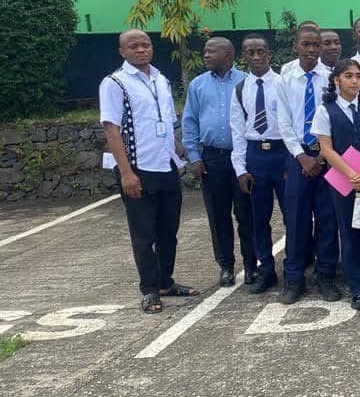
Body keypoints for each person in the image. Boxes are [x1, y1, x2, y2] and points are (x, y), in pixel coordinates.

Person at [102, 29, 198, 313]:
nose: (141, 50)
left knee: (169, 231)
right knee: (144, 235)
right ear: (122, 51)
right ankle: (149, 289)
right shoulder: (115, 83)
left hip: (165, 166)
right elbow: (111, 128)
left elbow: (167, 122)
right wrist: (126, 172)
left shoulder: (161, 79)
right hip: (138, 168)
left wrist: (180, 153)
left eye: (145, 45)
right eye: (133, 46)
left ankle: (166, 281)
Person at [313, 58, 360, 310]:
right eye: (348, 76)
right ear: (337, 80)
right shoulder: (326, 110)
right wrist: (351, 174)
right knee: (349, 232)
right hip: (343, 180)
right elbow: (326, 148)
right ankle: (358, 289)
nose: (354, 81)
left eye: (357, 76)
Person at [181, 37, 254, 287]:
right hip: (212, 158)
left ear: (229, 54)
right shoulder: (197, 85)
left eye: (212, 51)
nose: (206, 55)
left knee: (247, 214)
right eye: (205, 51)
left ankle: (251, 265)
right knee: (218, 215)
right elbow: (190, 122)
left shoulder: (246, 81)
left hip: (242, 157)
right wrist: (194, 157)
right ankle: (225, 266)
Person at [275, 25, 340, 304]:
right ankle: (294, 279)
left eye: (317, 45)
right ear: (296, 47)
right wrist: (302, 157)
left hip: (326, 157)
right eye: (307, 45)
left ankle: (325, 275)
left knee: (328, 219)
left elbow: (334, 120)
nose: (312, 50)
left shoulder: (331, 79)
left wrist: (322, 157)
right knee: (297, 219)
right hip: (298, 156)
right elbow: (284, 122)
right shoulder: (285, 81)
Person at [230, 33, 286, 295]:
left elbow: (292, 123)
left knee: (292, 215)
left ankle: (294, 267)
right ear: (244, 56)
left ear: (269, 54)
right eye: (250, 52)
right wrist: (241, 169)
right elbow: (237, 131)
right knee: (259, 218)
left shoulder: (283, 83)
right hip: (256, 156)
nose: (256, 57)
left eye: (260, 51)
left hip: (282, 154)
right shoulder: (241, 89)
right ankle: (266, 268)